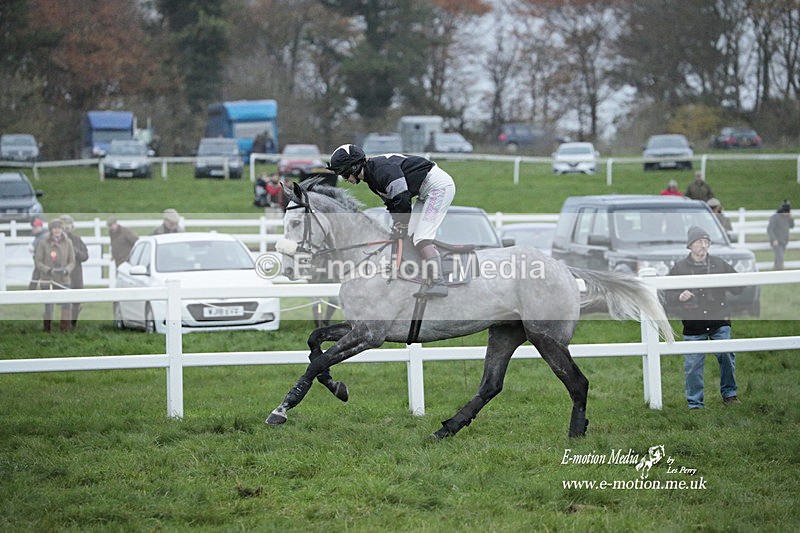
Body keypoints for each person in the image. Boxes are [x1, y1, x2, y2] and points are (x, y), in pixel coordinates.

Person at [327, 143, 456, 297]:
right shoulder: (372, 178)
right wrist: (398, 226)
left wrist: (401, 224)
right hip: (425, 190)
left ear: (353, 167)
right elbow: (392, 204)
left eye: (343, 174)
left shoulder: (381, 171)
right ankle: (421, 275)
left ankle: (438, 282)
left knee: (421, 238)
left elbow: (402, 197)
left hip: (438, 187)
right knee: (410, 235)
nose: (344, 179)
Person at [667, 225, 743, 409]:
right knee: (692, 365)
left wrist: (727, 283)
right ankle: (695, 404)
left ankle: (730, 395)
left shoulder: (719, 263)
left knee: (726, 356)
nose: (703, 245)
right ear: (690, 245)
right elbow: (664, 296)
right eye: (699, 242)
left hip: (719, 319)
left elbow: (740, 286)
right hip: (694, 324)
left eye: (706, 241)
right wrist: (679, 296)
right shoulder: (679, 268)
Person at [34, 218, 76, 332]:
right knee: (48, 306)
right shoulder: (43, 242)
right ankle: (47, 329)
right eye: (54, 228)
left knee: (66, 305)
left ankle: (65, 329)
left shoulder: (68, 243)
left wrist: (66, 270)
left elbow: (72, 261)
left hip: (64, 279)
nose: (57, 230)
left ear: (62, 229)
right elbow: (38, 261)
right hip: (48, 279)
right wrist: (48, 270)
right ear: (51, 230)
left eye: (59, 228)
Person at [60, 215, 89, 327]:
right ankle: (64, 325)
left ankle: (73, 323)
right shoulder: (56, 240)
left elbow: (85, 256)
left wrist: (77, 252)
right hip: (62, 275)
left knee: (76, 301)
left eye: (69, 225)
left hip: (76, 275)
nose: (66, 228)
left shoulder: (77, 240)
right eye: (64, 225)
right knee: (64, 301)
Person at [767, 200, 794, 270]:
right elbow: (770, 229)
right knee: (780, 258)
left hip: (784, 241)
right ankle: (781, 272)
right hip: (777, 242)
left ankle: (774, 272)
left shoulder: (788, 217)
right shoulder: (775, 217)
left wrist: (791, 218)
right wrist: (774, 239)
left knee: (778, 259)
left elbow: (792, 226)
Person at [27, 217, 47, 290]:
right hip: (40, 261)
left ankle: (30, 292)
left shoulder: (43, 236)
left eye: (36, 227)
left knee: (36, 277)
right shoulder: (39, 237)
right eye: (33, 227)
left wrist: (33, 250)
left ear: (40, 227)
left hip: (43, 262)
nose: (34, 229)